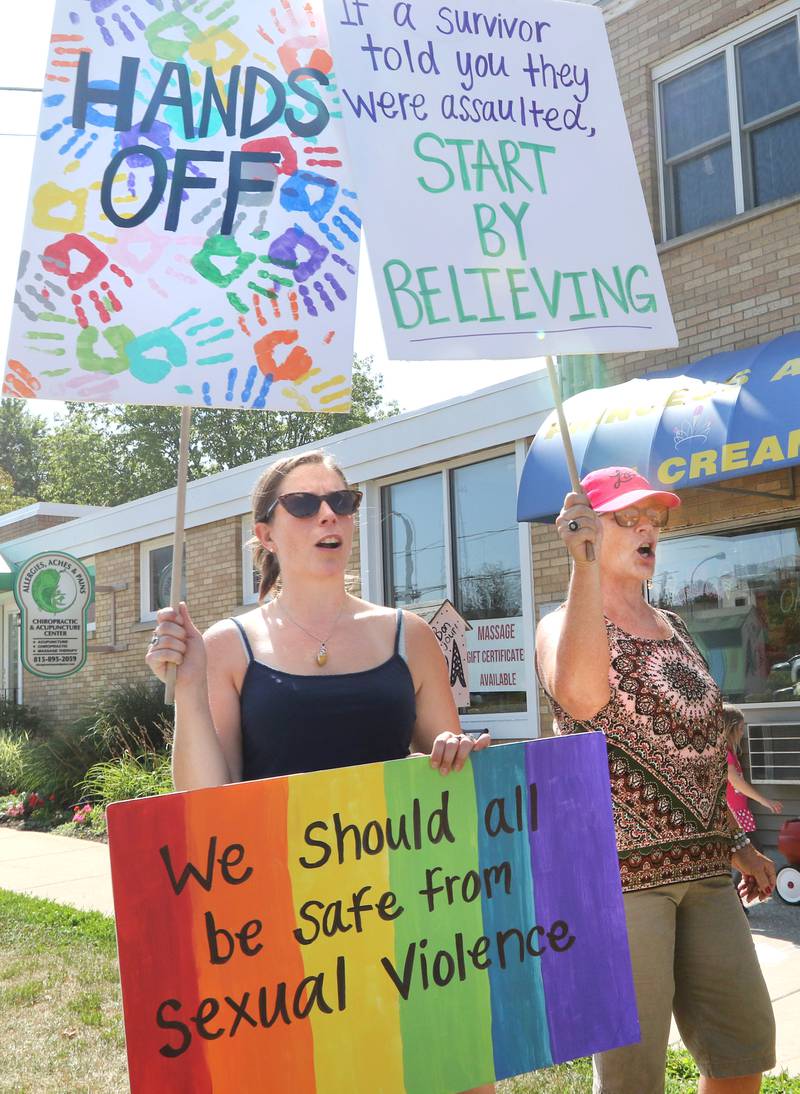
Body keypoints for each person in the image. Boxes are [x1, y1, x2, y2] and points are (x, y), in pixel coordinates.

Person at [146, 448, 494, 1094]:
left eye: (342, 501)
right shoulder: (228, 646)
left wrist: (452, 752)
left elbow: (446, 752)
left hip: (408, 915)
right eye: (304, 504)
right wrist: (189, 688)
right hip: (286, 930)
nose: (327, 514)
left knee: (448, 1076)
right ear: (266, 534)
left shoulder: (408, 636)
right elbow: (203, 805)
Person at [535, 466, 776, 1094]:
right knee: (632, 1078)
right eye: (627, 518)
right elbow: (582, 699)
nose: (648, 529)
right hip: (621, 882)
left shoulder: (674, 624)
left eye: (655, 520)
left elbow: (702, 746)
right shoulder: (560, 625)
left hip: (706, 873)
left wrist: (739, 843)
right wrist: (584, 568)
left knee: (741, 1051)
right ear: (587, 527)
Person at [723, 703, 783, 835]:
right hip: (732, 816)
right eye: (740, 728)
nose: (742, 732)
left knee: (752, 851)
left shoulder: (730, 752)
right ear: (729, 729)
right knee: (752, 852)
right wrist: (765, 801)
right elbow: (735, 781)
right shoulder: (724, 754)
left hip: (738, 812)